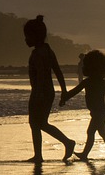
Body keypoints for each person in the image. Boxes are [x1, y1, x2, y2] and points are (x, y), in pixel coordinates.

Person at [23, 15, 75, 163]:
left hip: (40, 92)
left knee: (36, 123)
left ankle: (65, 143)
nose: (25, 40)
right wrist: (64, 91)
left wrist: (37, 94)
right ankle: (41, 153)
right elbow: (58, 71)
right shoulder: (48, 50)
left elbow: (40, 75)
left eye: (27, 37)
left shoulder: (38, 53)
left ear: (35, 36)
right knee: (39, 123)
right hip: (49, 92)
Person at [61, 50, 105, 161]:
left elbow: (74, 92)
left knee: (92, 132)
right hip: (100, 112)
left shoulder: (89, 82)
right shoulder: (99, 82)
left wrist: (65, 98)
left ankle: (86, 154)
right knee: (103, 133)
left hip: (99, 113)